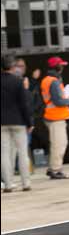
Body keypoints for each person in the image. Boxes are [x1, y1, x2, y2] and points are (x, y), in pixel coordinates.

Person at [41, 56, 69, 179]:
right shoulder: (54, 81)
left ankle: (53, 168)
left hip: (53, 116)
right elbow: (58, 101)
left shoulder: (48, 79)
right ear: (57, 66)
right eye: (61, 65)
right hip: (56, 117)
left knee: (58, 143)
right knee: (59, 144)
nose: (62, 67)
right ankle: (55, 170)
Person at [1, 55, 33, 192]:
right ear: (13, 66)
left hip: (2, 122)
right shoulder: (18, 81)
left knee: (4, 153)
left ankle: (8, 184)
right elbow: (24, 104)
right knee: (22, 152)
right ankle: (26, 182)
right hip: (18, 121)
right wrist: (29, 122)